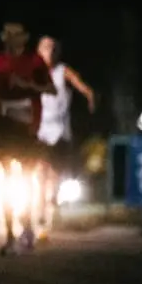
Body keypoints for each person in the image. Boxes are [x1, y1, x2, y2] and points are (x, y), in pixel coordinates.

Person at [0, 21, 55, 254]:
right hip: (2, 124)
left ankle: (26, 226)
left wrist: (28, 84)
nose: (12, 39)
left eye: (16, 35)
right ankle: (8, 234)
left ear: (24, 38)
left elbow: (51, 89)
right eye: (8, 35)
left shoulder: (35, 61)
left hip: (27, 127)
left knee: (26, 178)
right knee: (5, 178)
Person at [35, 35, 95, 236]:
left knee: (54, 173)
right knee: (40, 171)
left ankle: (52, 205)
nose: (48, 52)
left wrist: (89, 95)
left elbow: (80, 84)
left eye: (52, 48)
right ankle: (40, 209)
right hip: (39, 130)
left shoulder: (62, 71)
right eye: (45, 48)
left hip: (59, 130)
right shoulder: (33, 73)